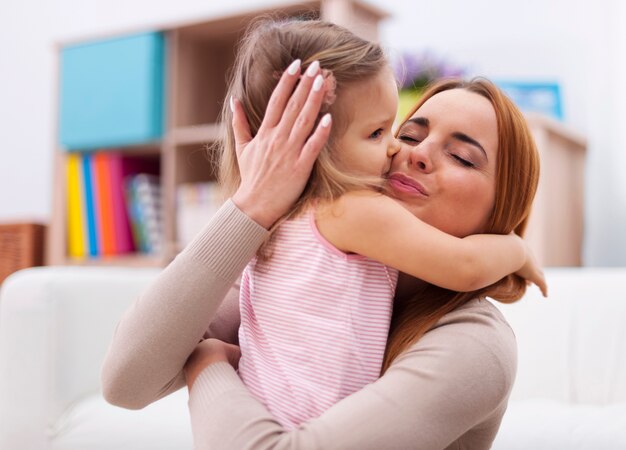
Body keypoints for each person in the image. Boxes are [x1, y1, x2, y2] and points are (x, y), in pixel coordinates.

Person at [101, 26, 542, 450]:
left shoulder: (475, 345)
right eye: (405, 134)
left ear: (502, 209)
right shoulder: (300, 269)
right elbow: (127, 382)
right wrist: (251, 205)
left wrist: (207, 363)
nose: (413, 154)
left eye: (462, 157)